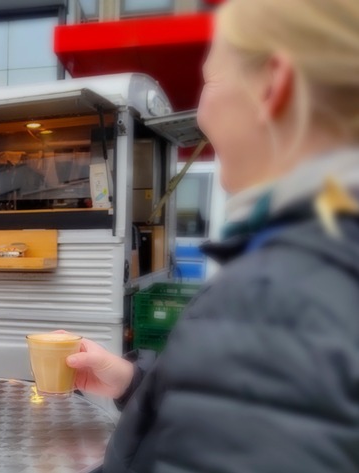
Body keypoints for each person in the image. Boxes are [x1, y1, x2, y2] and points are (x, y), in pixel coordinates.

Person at [65, 1, 359, 471]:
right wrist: (133, 382)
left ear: (273, 86)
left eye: (210, 81)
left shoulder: (277, 300)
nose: (200, 114)